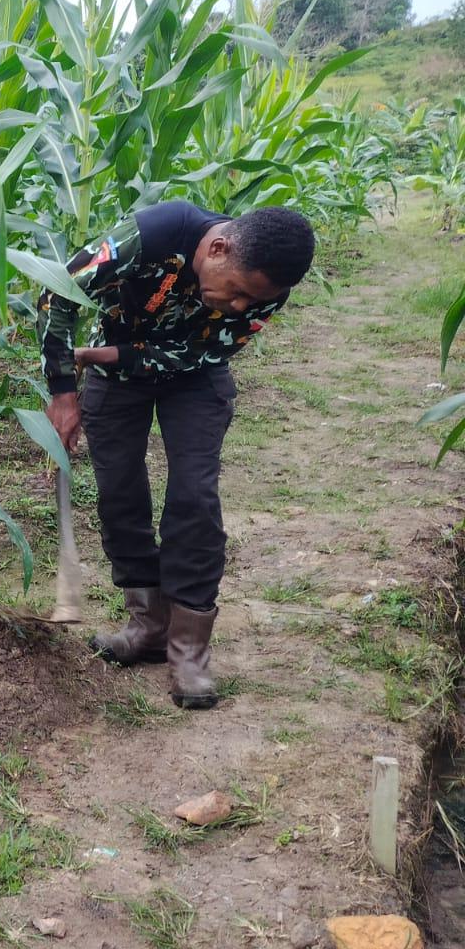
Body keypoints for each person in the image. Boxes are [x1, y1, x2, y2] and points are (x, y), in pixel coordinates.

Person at [39, 201, 316, 709]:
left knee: (194, 495)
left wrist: (95, 355)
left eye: (248, 300)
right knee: (119, 490)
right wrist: (62, 390)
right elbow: (57, 290)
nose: (236, 306)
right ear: (217, 247)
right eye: (234, 290)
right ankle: (147, 624)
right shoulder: (148, 236)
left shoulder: (268, 288)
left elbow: (202, 352)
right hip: (117, 379)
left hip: (195, 379)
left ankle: (189, 650)